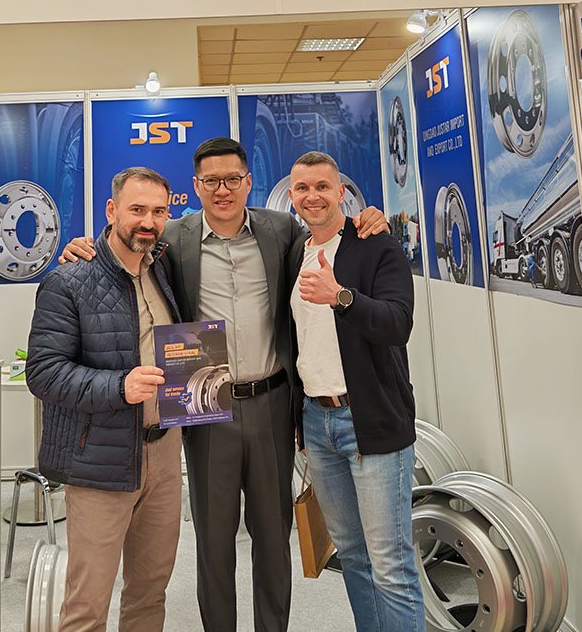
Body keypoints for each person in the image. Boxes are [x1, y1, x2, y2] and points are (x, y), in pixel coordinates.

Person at [60, 137, 388, 631]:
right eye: (211, 180)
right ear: (195, 187)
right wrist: (82, 246)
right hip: (204, 402)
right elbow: (124, 246)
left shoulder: (281, 230)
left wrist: (370, 221)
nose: (223, 189)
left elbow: (329, 231)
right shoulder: (172, 237)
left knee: (273, 538)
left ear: (248, 182)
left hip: (271, 401)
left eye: (232, 179)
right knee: (214, 541)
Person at [26, 167, 183, 632]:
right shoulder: (68, 281)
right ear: (112, 210)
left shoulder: (164, 269)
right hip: (100, 459)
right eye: (137, 210)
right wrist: (119, 386)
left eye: (158, 212)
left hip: (163, 454)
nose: (148, 222)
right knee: (88, 603)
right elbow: (43, 372)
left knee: (150, 591)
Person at [287, 151, 424, 632]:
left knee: (390, 565)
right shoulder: (294, 253)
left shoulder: (376, 245)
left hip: (371, 419)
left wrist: (340, 297)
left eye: (322, 186)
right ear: (291, 196)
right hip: (317, 424)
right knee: (352, 555)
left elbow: (397, 324)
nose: (313, 196)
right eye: (303, 188)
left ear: (341, 192)